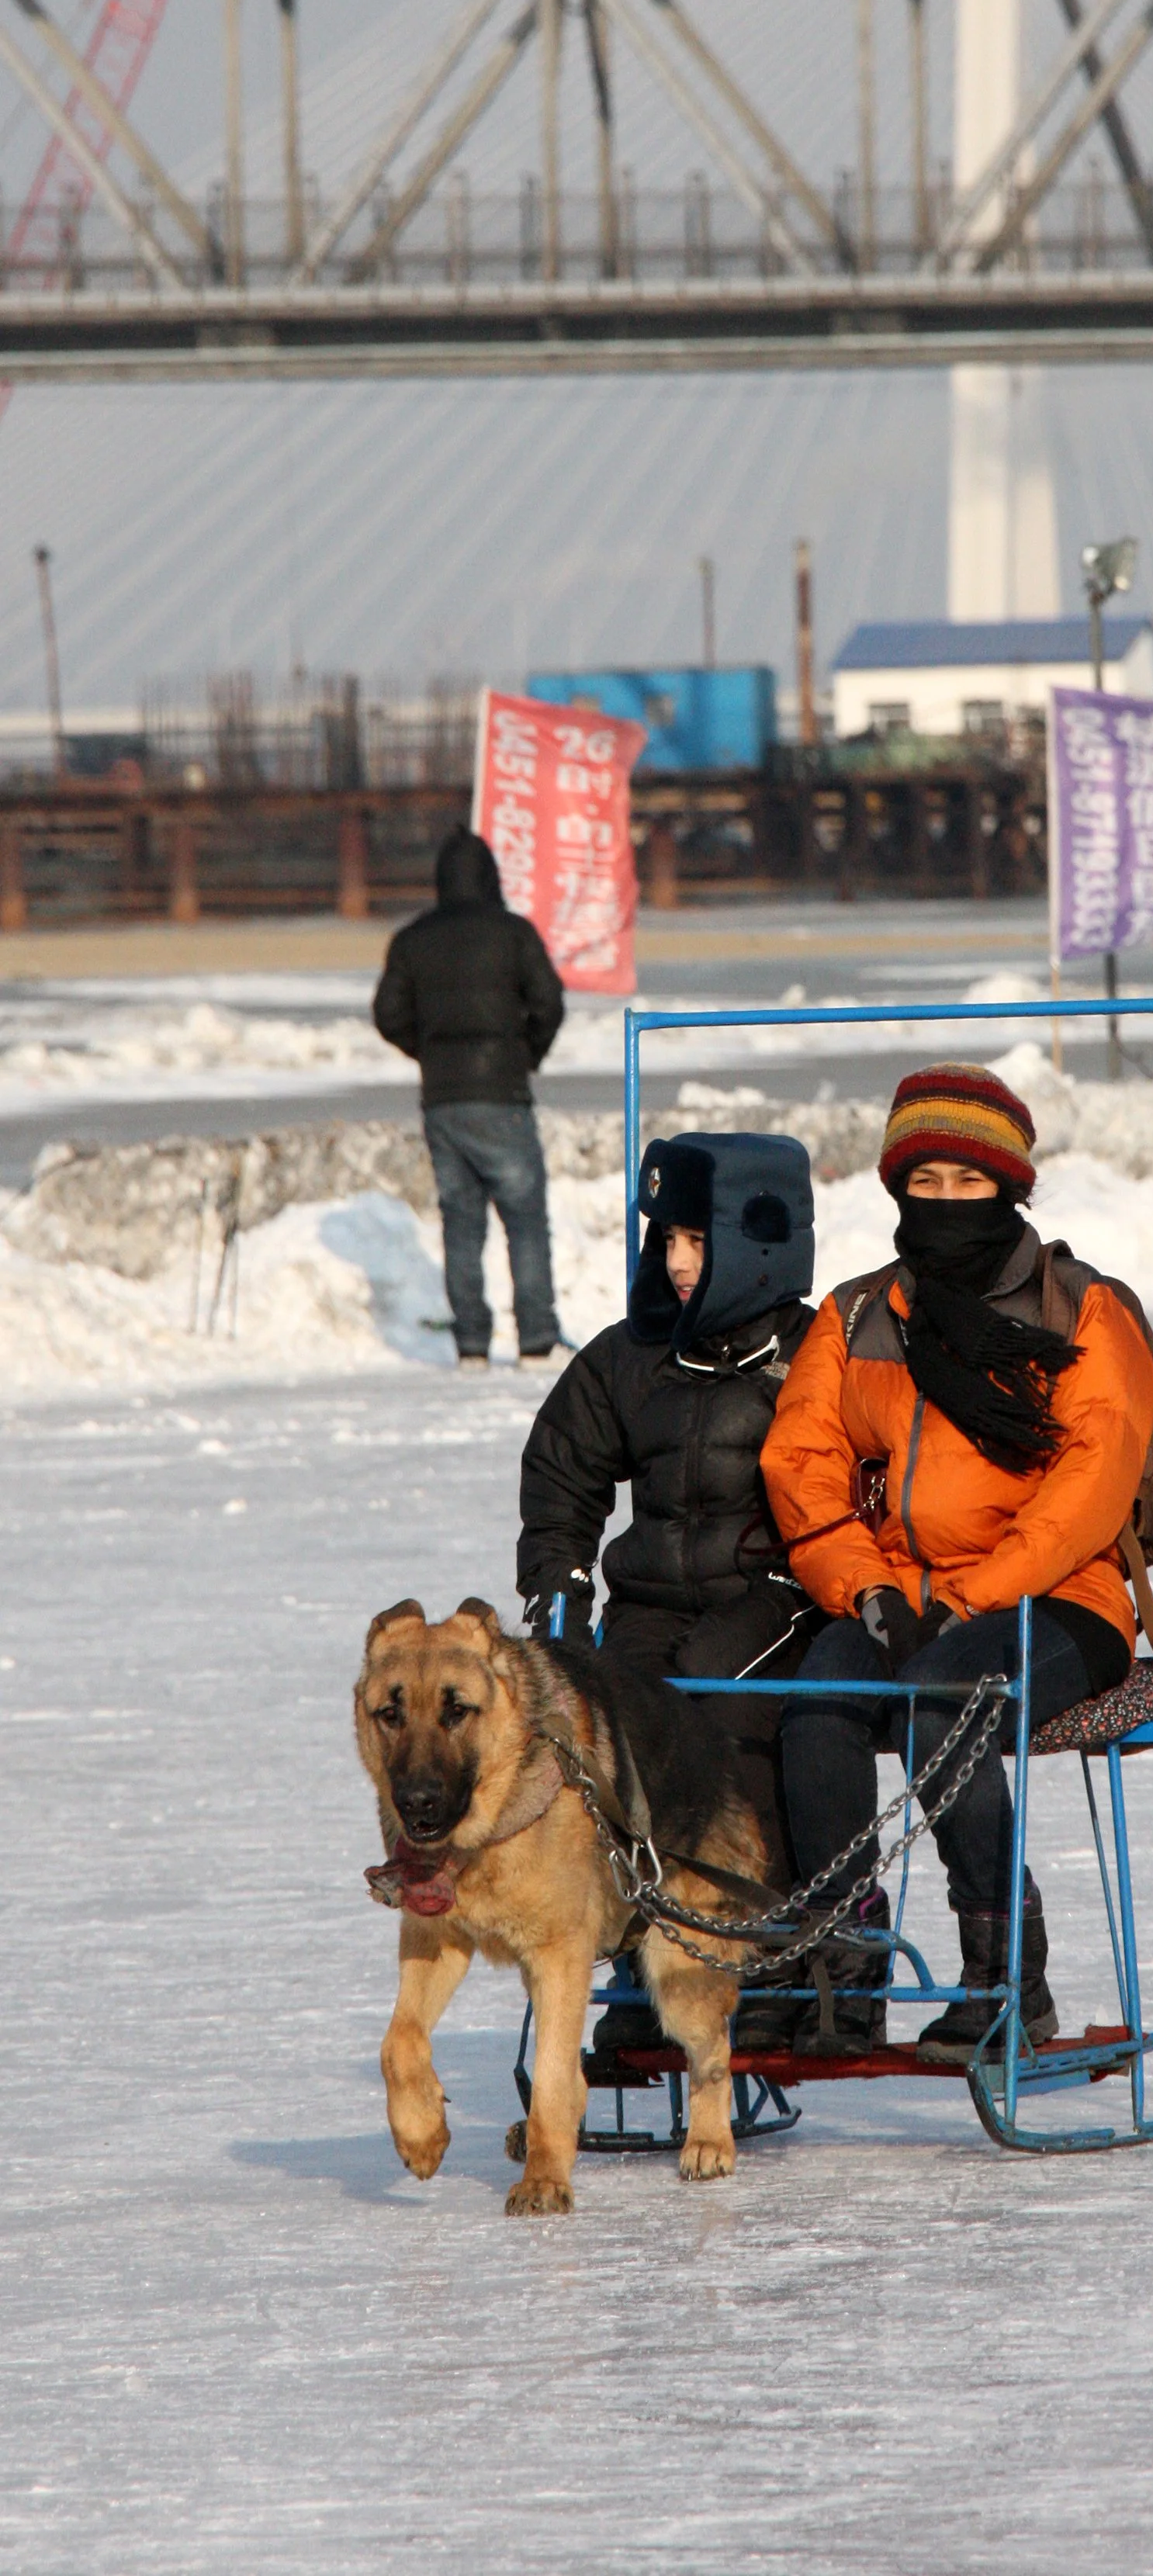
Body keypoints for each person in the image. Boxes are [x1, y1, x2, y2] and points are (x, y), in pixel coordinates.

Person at [762, 1062, 1153, 2061]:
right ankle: (844, 1967)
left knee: (950, 1695)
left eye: (967, 1183)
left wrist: (972, 1597)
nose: (942, 1203)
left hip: (1060, 1600)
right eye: (922, 1182)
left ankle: (1004, 1982)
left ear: (1011, 1187)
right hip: (903, 1593)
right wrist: (870, 1586)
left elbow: (1090, 1484)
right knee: (817, 1700)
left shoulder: (1083, 1311)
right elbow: (801, 1460)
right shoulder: (859, 1317)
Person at [517, 1130, 822, 2051]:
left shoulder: (815, 1351)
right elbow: (563, 1469)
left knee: (722, 1703)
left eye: (699, 1241)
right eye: (666, 1241)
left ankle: (765, 1954)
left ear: (756, 1236)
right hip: (652, 1602)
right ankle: (644, 1962)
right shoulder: (629, 1354)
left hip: (780, 1592)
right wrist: (558, 1583)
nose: (679, 1263)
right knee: (614, 1729)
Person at [371, 827, 566, 1370]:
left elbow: (388, 1015)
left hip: (443, 1100)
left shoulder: (411, 940)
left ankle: (472, 1345)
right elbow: (549, 1001)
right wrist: (527, 1053)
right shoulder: (514, 934)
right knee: (524, 1219)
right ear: (490, 877)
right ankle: (536, 1339)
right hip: (503, 1092)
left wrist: (428, 1052)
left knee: (461, 1223)